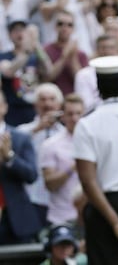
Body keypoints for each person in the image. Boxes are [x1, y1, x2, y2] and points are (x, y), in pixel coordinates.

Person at [73, 56, 118, 265]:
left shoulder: (87, 124)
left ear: (98, 87)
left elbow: (88, 183)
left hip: (104, 210)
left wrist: (115, 222)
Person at [17, 83, 65, 228]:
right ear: (35, 104)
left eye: (52, 99)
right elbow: (12, 151)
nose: (47, 104)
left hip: (59, 200)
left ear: (59, 104)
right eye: (42, 99)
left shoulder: (66, 133)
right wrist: (38, 129)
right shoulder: (23, 131)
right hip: (31, 196)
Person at [0, 91, 41, 245]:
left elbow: (32, 175)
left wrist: (10, 157)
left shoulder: (19, 137)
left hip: (15, 219)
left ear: (4, 107)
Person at [39, 94, 85, 226]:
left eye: (78, 113)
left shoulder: (96, 142)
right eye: (70, 114)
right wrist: (74, 166)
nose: (75, 118)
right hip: (61, 216)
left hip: (89, 216)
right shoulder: (50, 144)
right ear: (63, 116)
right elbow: (50, 184)